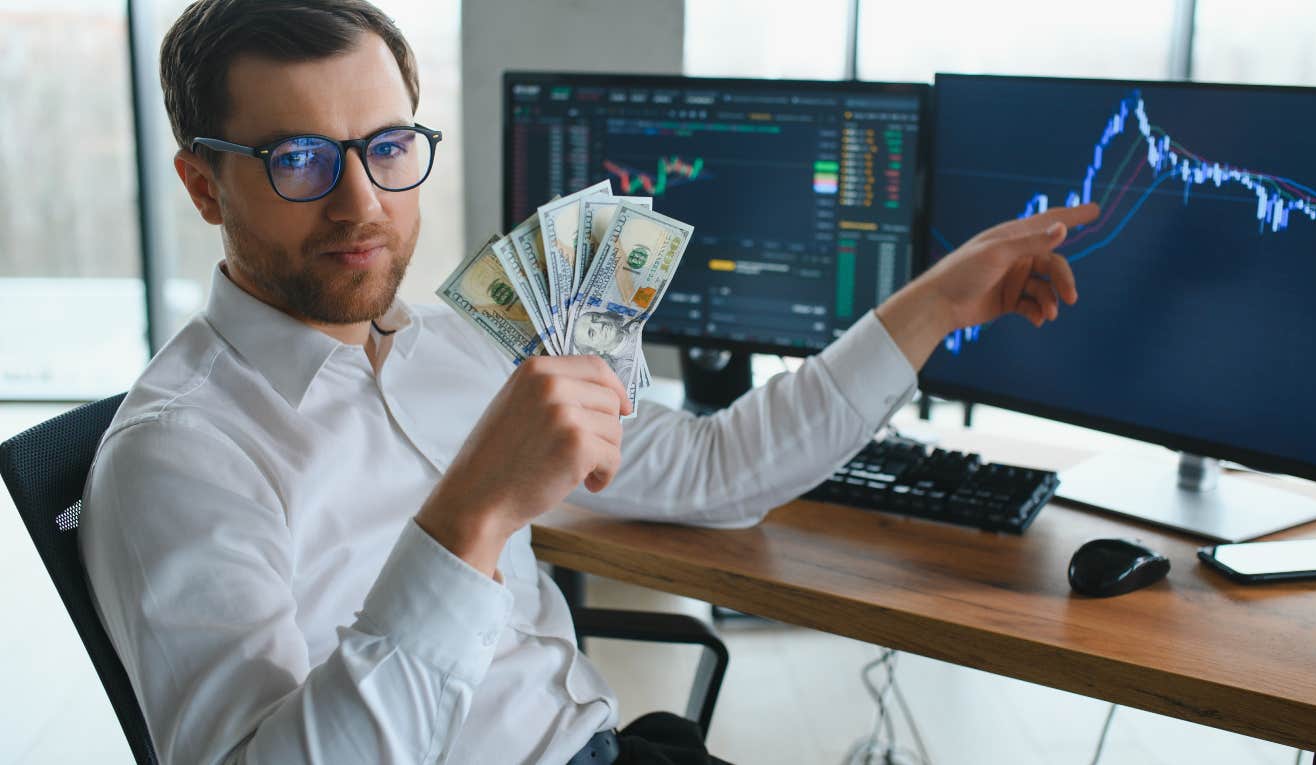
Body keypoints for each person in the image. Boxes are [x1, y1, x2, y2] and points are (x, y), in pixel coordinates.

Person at [78, 1, 1098, 764]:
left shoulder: (454, 343)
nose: (361, 202)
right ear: (204, 184)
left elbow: (717, 472)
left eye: (388, 147)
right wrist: (470, 517)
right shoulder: (180, 454)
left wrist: (933, 306)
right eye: (298, 158)